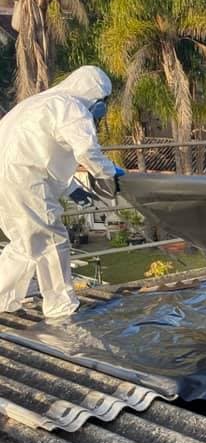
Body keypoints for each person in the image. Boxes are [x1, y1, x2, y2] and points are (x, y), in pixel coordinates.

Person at [0, 66, 121, 319]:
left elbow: (43, 153)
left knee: (24, 244)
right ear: (95, 93)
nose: (103, 108)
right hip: (25, 181)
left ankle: (3, 301)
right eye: (104, 101)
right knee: (51, 241)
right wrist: (107, 172)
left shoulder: (38, 103)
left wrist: (72, 188)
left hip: (9, 180)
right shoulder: (72, 107)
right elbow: (87, 151)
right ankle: (61, 307)